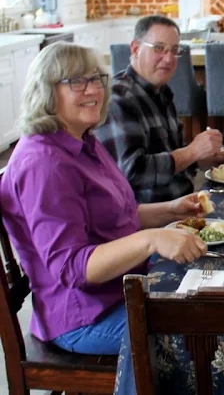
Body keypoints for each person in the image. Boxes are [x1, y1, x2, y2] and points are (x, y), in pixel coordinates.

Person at [0, 43, 209, 355]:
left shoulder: (82, 140)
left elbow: (115, 218)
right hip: (84, 316)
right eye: (76, 81)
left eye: (96, 78)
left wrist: (171, 210)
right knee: (209, 333)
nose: (93, 90)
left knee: (218, 297)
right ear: (46, 91)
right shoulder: (44, 164)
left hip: (123, 287)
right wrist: (151, 240)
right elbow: (72, 268)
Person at [95, 15, 224, 204]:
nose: (168, 59)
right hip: (150, 221)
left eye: (174, 50)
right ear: (135, 48)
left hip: (183, 206)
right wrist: (192, 151)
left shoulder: (161, 92)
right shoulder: (118, 98)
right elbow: (133, 172)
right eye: (158, 48)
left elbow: (173, 158)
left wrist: (202, 159)